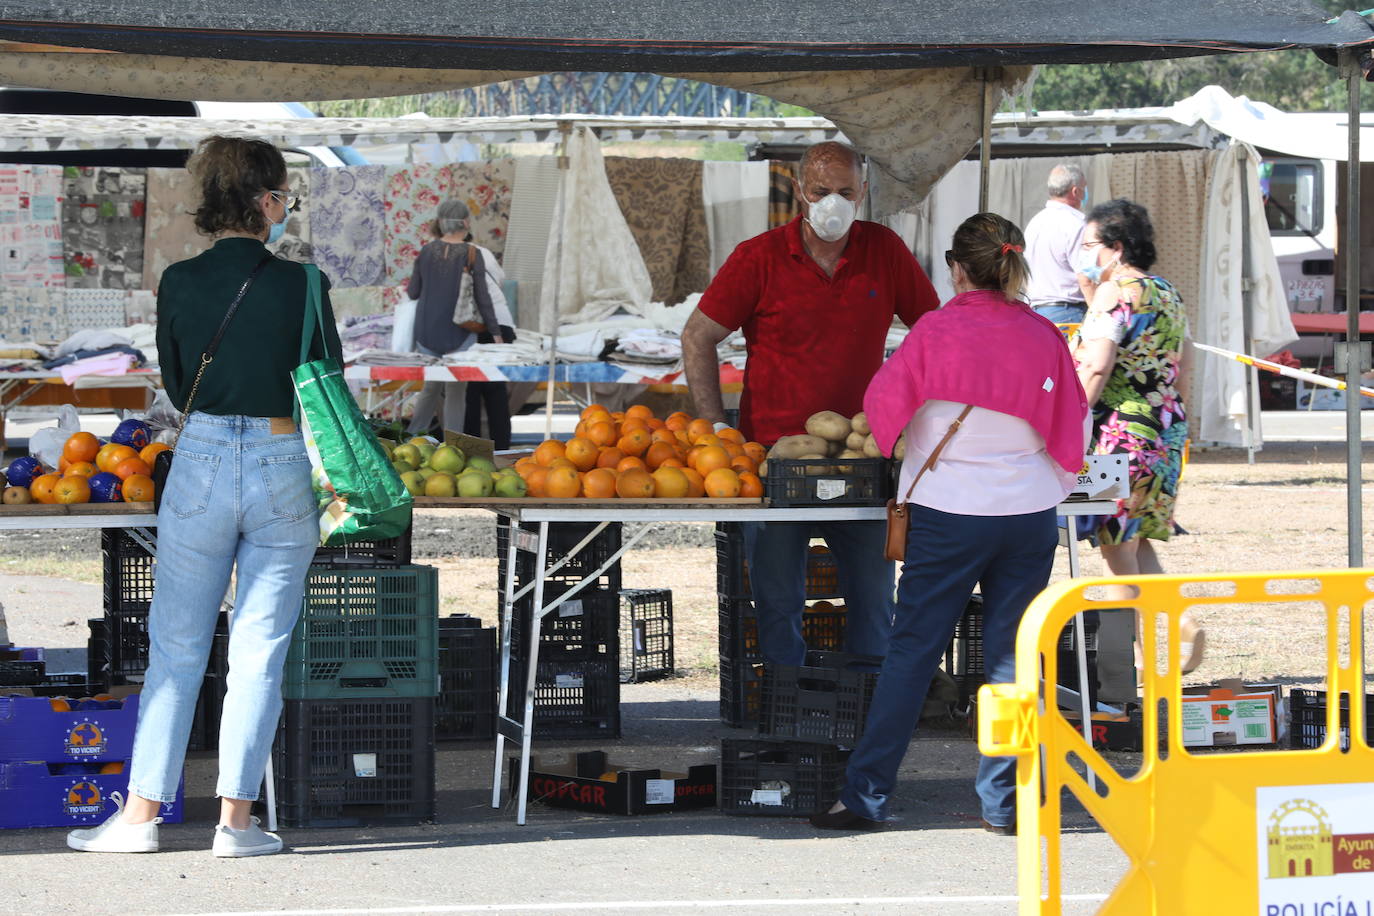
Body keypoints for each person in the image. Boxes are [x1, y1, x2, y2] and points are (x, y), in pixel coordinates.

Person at [67, 136, 343, 857]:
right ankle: (236, 825)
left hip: (203, 457)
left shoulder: (180, 281)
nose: (285, 208)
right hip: (284, 461)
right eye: (282, 195)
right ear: (263, 201)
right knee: (259, 650)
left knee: (177, 648)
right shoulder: (306, 285)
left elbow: (177, 372)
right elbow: (327, 380)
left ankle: (140, 819)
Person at [811, 212, 1089, 833]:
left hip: (947, 515)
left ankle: (865, 799)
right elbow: (1074, 426)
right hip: (1027, 516)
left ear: (957, 269)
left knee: (911, 655)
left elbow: (883, 416)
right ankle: (1007, 804)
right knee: (1012, 659)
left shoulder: (934, 331)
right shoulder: (1043, 334)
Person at [682, 141, 940, 666]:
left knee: (873, 599)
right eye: (821, 191)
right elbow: (696, 335)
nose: (833, 203)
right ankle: (786, 709)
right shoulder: (758, 257)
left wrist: (910, 408)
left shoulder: (885, 251)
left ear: (864, 193)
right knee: (777, 602)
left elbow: (934, 332)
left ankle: (869, 709)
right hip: (775, 461)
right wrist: (714, 430)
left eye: (846, 192)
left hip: (862, 457)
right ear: (799, 191)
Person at [1074, 198, 1201, 694]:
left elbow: (1097, 365)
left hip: (1119, 435)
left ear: (1117, 247)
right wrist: (1174, 420)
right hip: (1165, 431)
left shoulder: (1114, 295)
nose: (1085, 254)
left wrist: (1073, 417)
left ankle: (1134, 671)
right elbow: (1185, 363)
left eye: (1090, 246)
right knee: (1139, 543)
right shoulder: (1168, 294)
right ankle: (1176, 629)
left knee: (1114, 551)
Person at [406, 198, 502, 437]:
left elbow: (413, 292)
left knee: (430, 387)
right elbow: (482, 296)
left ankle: (413, 438)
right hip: (459, 333)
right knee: (456, 390)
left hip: (426, 332)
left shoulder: (426, 252)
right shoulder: (471, 253)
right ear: (466, 222)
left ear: (440, 222)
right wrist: (496, 332)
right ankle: (454, 444)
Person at [461, 232, 516, 450]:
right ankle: (502, 448)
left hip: (481, 326)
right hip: (502, 323)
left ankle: (472, 451)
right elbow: (499, 281)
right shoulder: (484, 252)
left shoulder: (455, 255)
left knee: (470, 391)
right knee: (496, 392)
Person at [1024, 163, 1092, 326]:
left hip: (1036, 313)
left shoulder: (1035, 223)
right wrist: (1098, 313)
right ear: (1076, 192)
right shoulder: (1077, 224)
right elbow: (1085, 278)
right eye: (1084, 188)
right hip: (1070, 313)